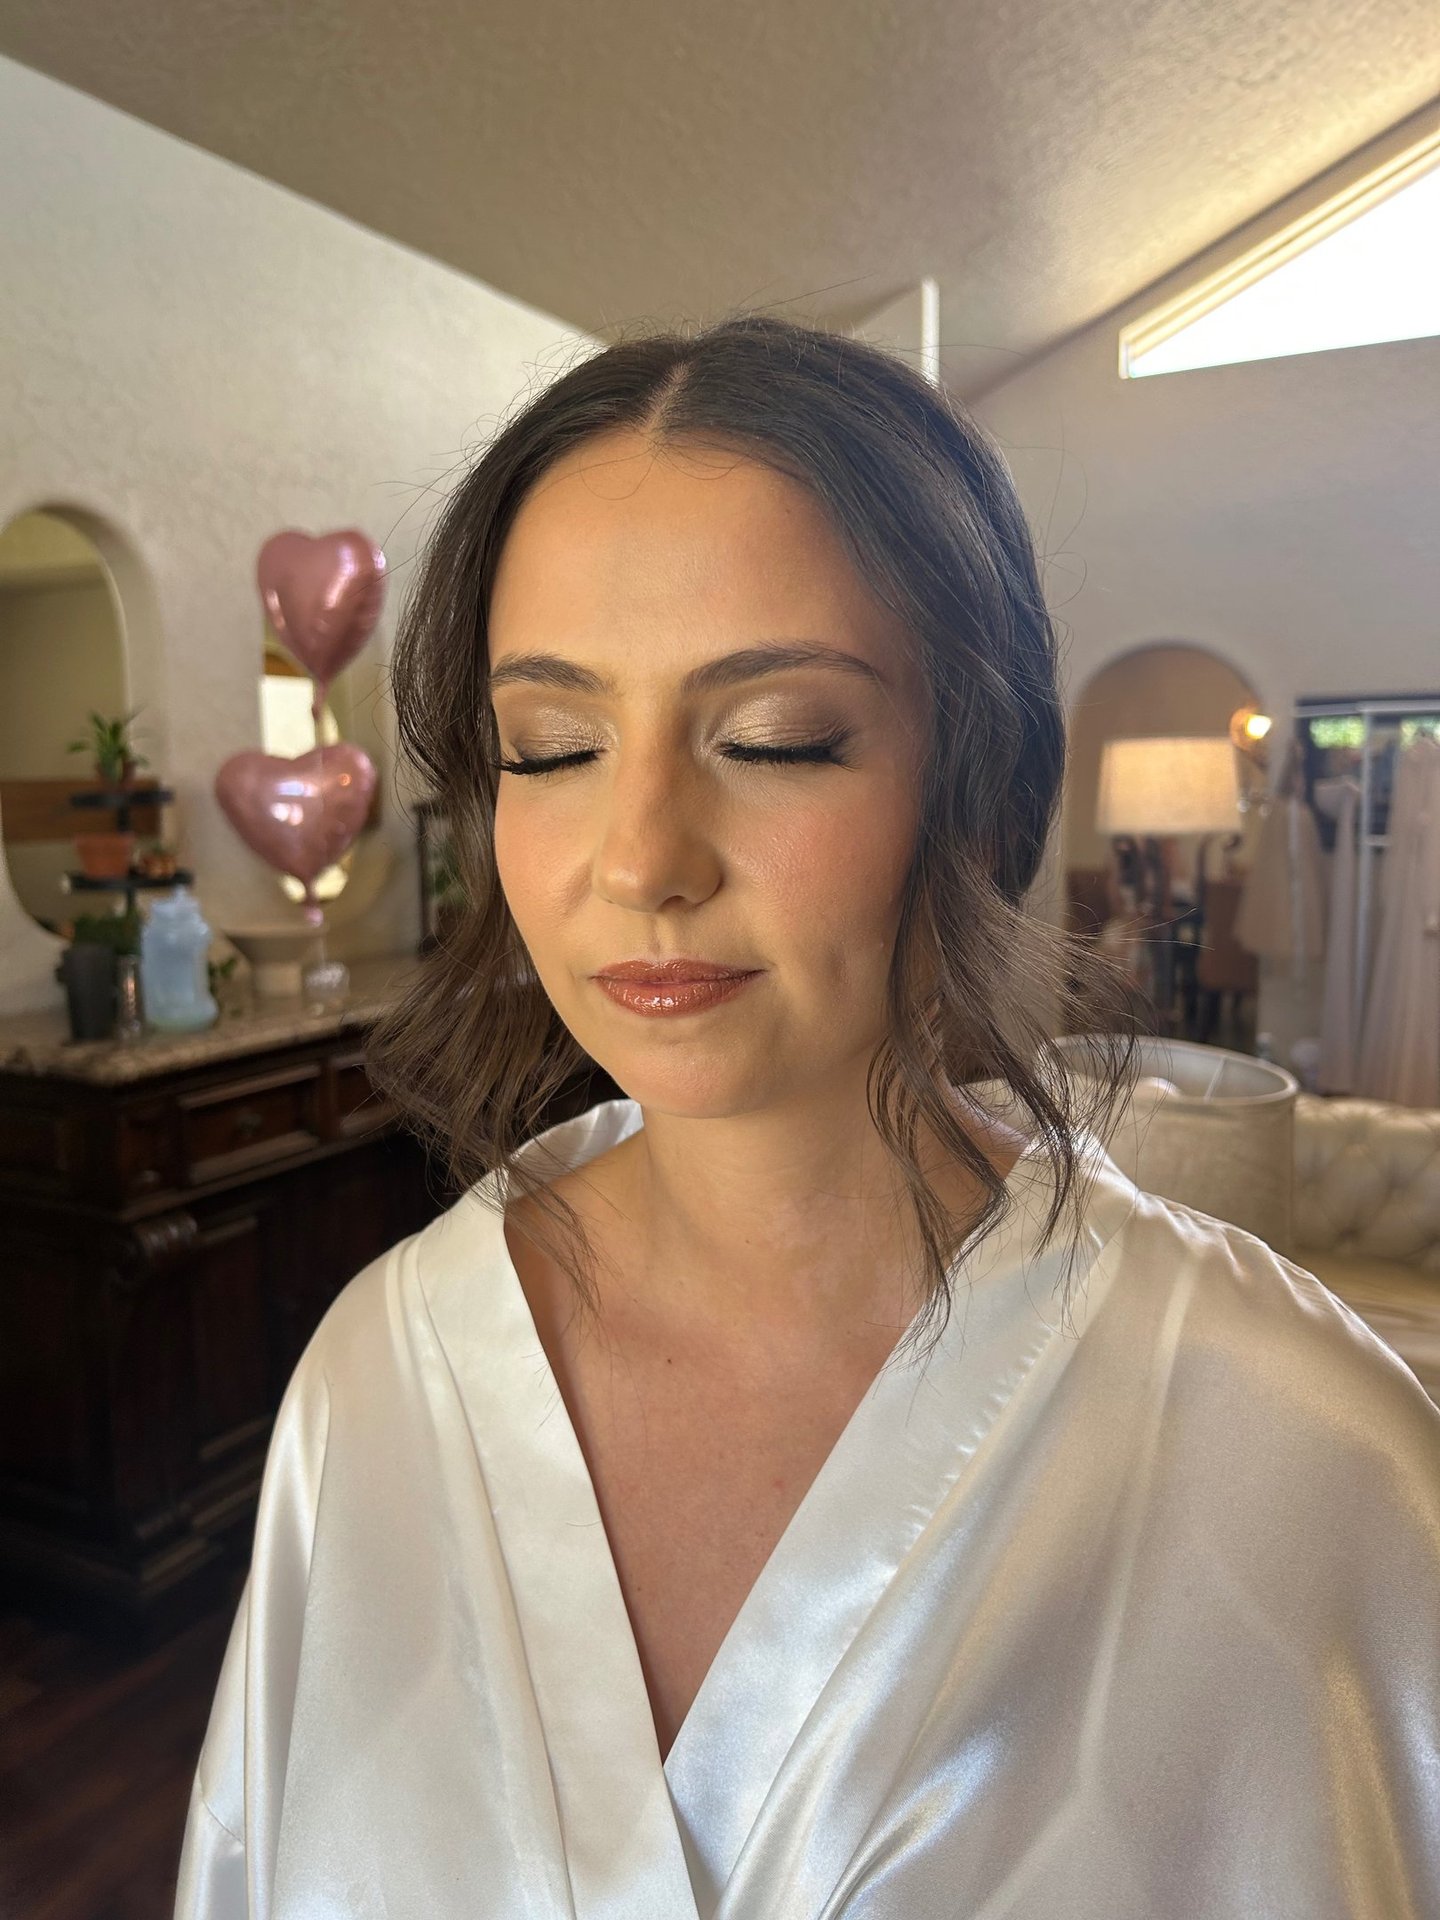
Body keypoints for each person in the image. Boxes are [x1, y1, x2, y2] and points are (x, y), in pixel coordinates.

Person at [174, 314, 1440, 1920]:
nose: (642, 859)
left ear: (982, 780)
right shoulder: (377, 1384)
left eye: (775, 738)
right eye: (553, 748)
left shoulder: (1303, 1462)